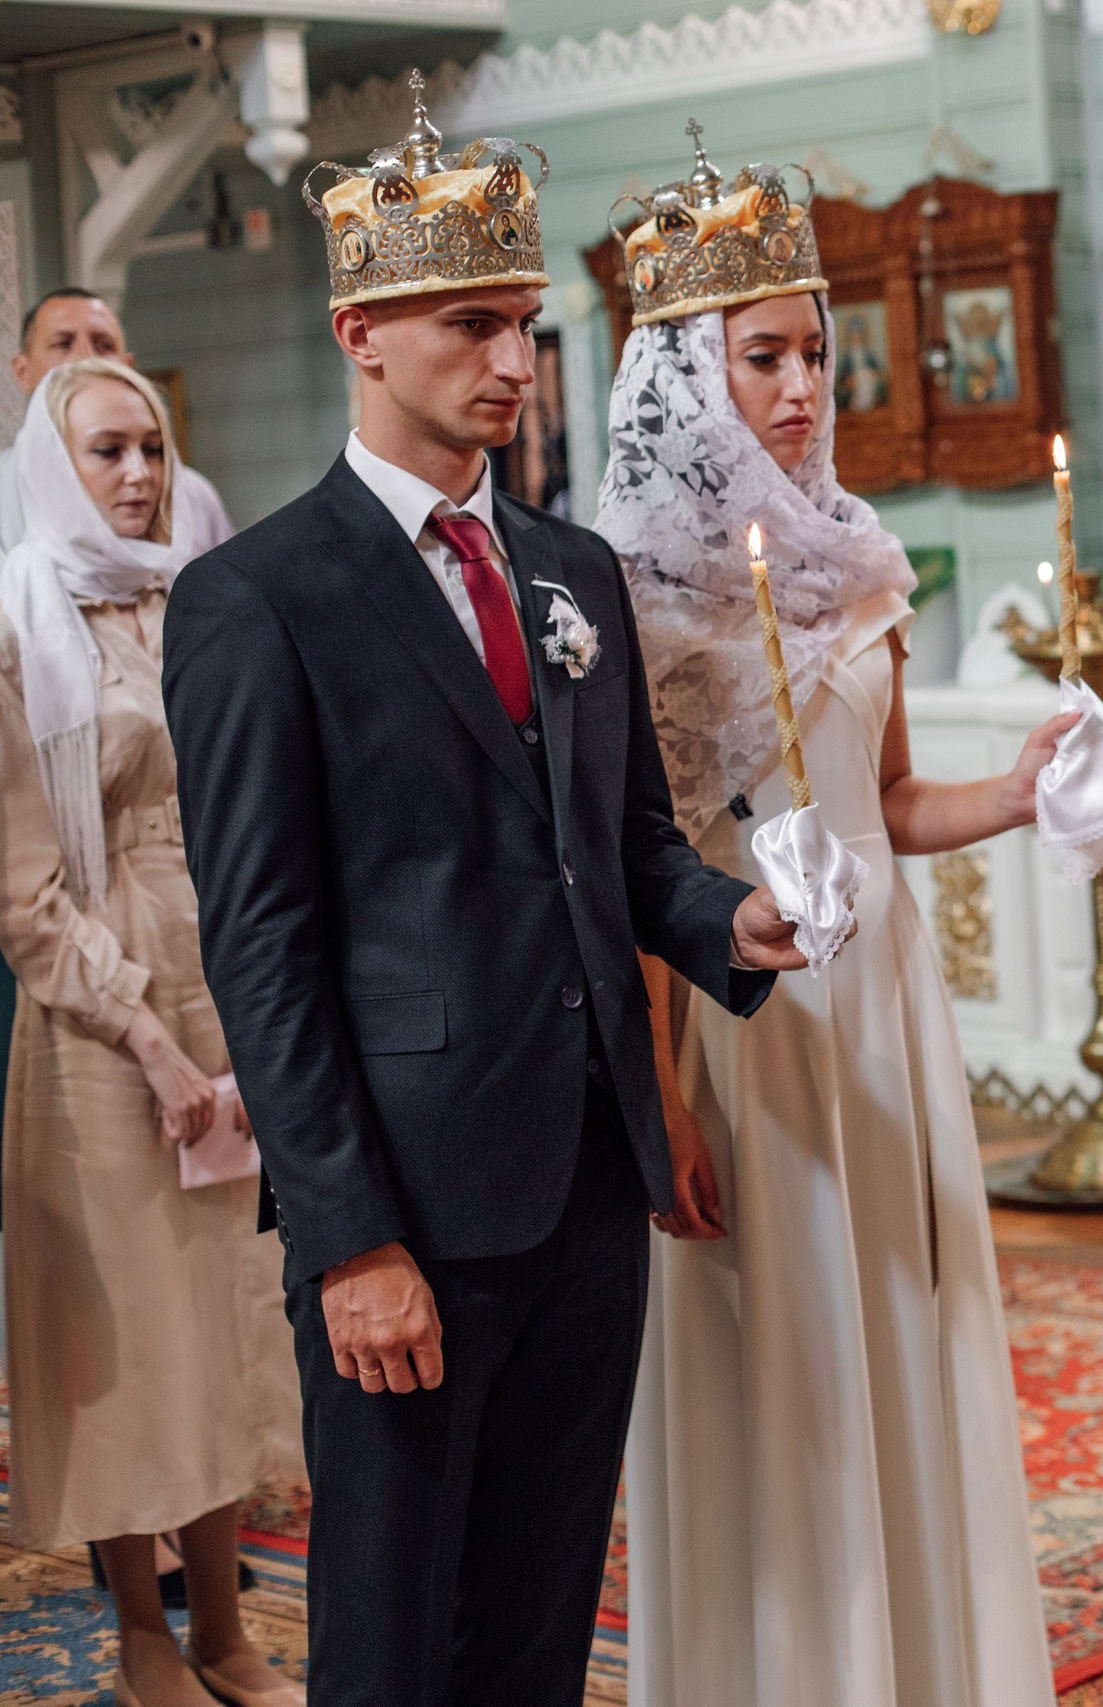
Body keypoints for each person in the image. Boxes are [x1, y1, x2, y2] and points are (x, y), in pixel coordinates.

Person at [161, 88, 805, 1707]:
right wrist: (349, 1236)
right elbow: (263, 941)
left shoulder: (570, 573)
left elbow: (628, 844)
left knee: (536, 1608)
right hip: (410, 1201)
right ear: (360, 334)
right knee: (391, 1626)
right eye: (473, 327)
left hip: (589, 1176)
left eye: (524, 325)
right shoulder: (258, 599)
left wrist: (728, 923)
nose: (515, 364)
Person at [598, 126, 1070, 1707]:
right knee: (779, 1357)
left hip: (886, 1005)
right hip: (744, 1023)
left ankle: (926, 1667)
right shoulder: (638, 593)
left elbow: (895, 807)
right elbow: (637, 863)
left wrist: (1017, 789)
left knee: (906, 1323)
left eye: (814, 351)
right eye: (762, 356)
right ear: (684, 369)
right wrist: (661, 1094)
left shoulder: (860, 561)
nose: (802, 387)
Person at [0, 359, 303, 1707]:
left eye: (153, 448)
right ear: (58, 466)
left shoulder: (198, 596)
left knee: (228, 1319)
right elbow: (23, 892)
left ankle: (226, 1625)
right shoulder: (18, 619)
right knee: (129, 1335)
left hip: (224, 968)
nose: (138, 474)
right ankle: (139, 1629)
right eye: (109, 451)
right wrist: (153, 1039)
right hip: (100, 1017)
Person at [5, 288, 234, 554]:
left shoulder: (193, 496)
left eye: (104, 345)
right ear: (22, 372)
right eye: (63, 344)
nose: (85, 359)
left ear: (128, 366)